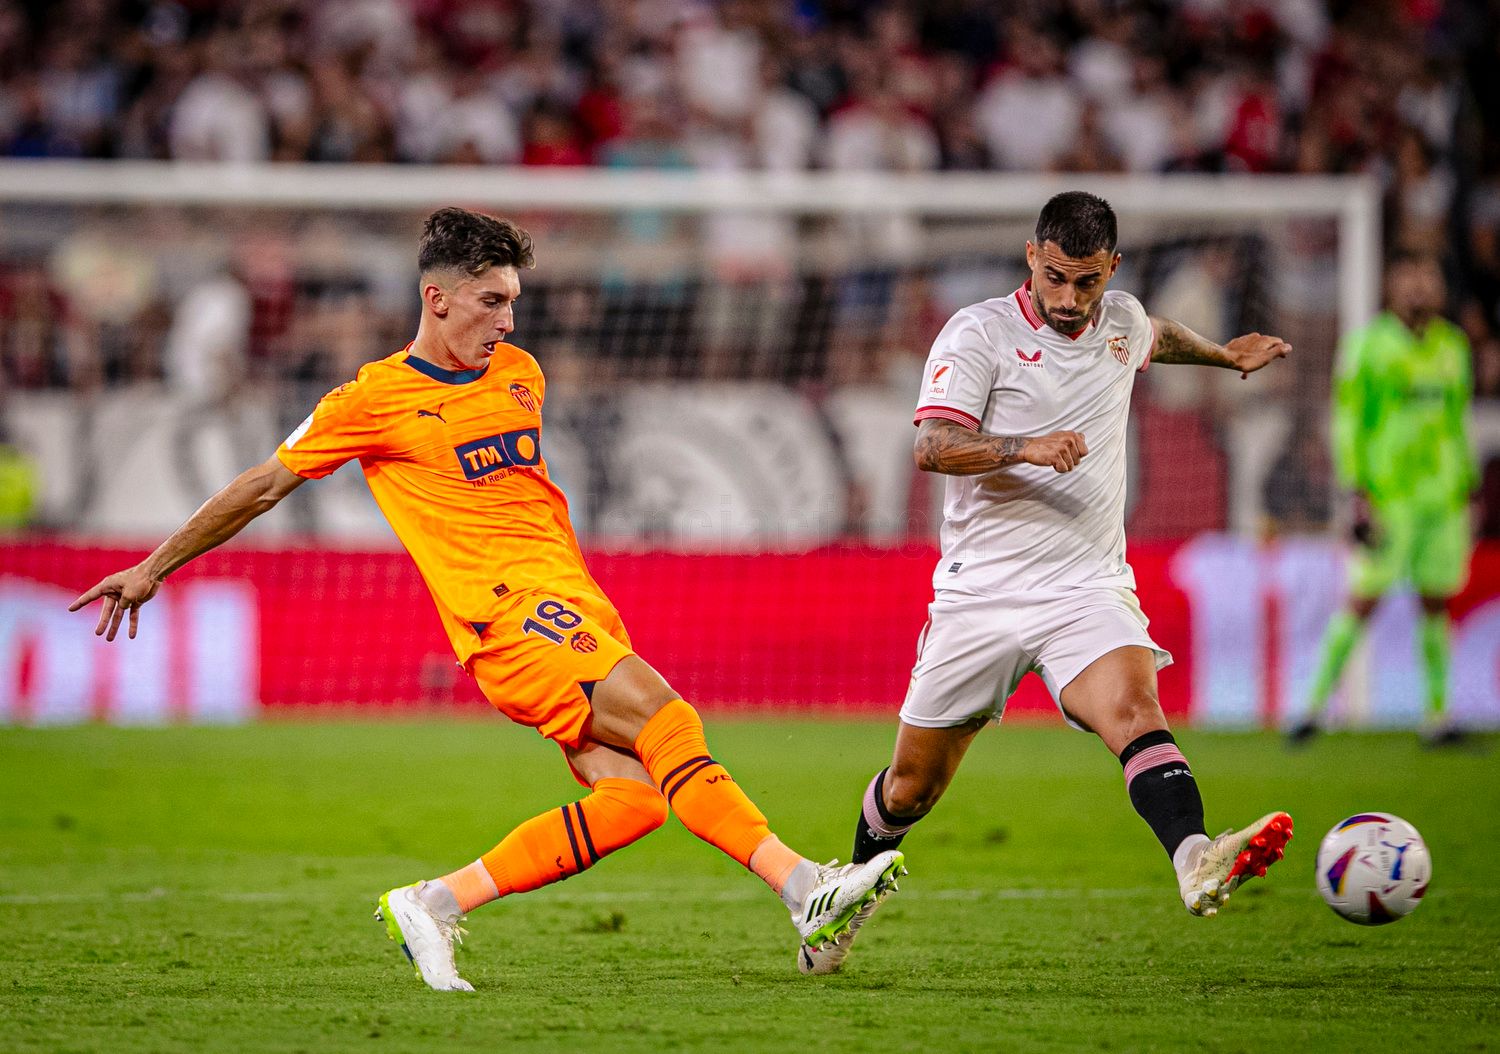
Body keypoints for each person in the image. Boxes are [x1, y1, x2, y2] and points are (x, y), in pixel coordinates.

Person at [69, 207, 904, 992]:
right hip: (505, 619)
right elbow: (262, 485)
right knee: (666, 718)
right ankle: (805, 889)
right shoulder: (373, 398)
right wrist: (153, 567)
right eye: (492, 301)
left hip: (573, 602)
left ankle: (432, 903)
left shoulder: (520, 373)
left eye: (514, 302)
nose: (508, 320)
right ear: (436, 299)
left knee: (635, 801)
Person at [803, 191, 1295, 976]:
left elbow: (1155, 336)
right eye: (1057, 279)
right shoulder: (978, 333)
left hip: (1086, 586)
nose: (1069, 301)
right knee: (910, 788)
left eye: (1088, 284)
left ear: (1113, 272)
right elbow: (932, 445)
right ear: (1032, 257)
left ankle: (1195, 855)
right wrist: (1024, 448)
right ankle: (842, 897)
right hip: (981, 595)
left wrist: (1223, 355)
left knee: (1135, 710)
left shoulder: (1123, 319)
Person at [1289, 252, 1477, 746]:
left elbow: (1458, 422)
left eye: (1428, 277)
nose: (1420, 287)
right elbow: (1349, 419)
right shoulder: (1368, 346)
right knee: (1362, 600)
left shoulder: (1453, 347)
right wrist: (1357, 491)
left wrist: (1468, 485)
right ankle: (1311, 710)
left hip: (1443, 497)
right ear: (1392, 287)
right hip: (1388, 496)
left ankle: (1438, 717)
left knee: (1436, 602)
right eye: (1410, 277)